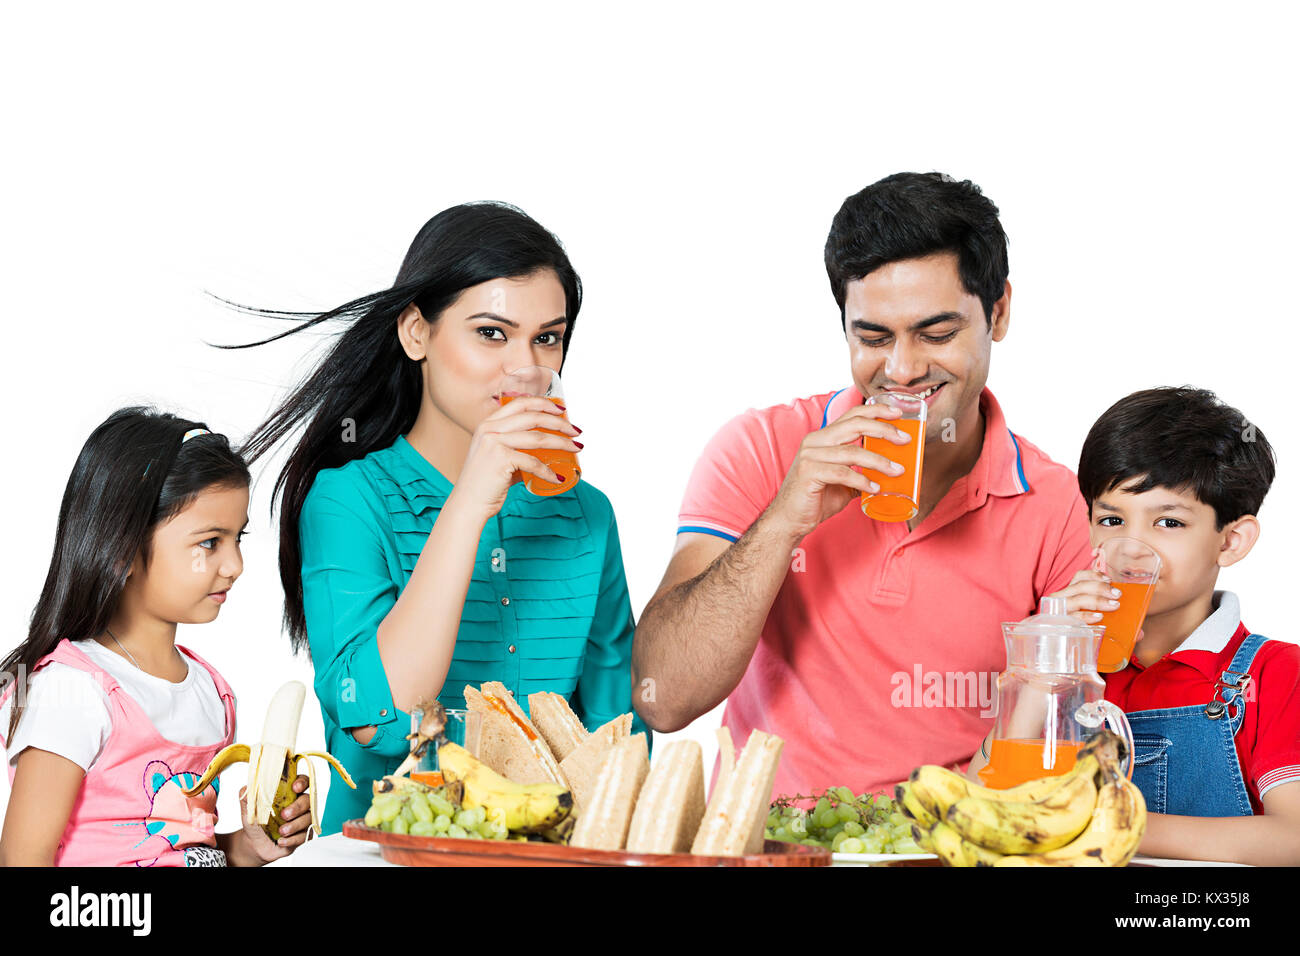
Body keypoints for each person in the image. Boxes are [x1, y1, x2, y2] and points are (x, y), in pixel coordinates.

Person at [632, 172, 1093, 798]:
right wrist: (785, 519)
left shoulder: (1057, 503)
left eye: (937, 334)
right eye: (873, 337)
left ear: (1000, 311)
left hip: (950, 846)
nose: (902, 370)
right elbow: (664, 698)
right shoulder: (760, 448)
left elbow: (1057, 739)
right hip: (777, 849)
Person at [235, 201, 645, 834]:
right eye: (490, 333)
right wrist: (471, 500)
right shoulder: (347, 500)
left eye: (547, 338)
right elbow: (375, 717)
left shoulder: (588, 517)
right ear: (416, 334)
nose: (523, 369)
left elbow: (621, 742)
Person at [0, 408, 314, 866]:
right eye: (210, 542)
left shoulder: (212, 693)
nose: (236, 565)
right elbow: (23, 860)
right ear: (124, 549)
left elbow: (185, 850)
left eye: (238, 538)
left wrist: (246, 847)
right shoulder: (71, 690)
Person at [1033, 387, 1300, 865]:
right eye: (1111, 519)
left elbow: (1294, 837)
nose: (1133, 549)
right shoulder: (1071, 672)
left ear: (1232, 540)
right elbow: (989, 795)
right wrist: (1045, 658)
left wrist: (1108, 824)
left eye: (1169, 523)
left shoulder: (1276, 673)